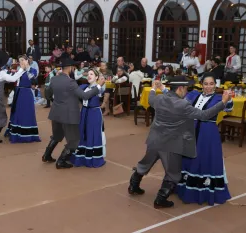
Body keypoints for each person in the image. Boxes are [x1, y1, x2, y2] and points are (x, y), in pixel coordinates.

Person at [128, 76, 232, 209]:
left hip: (154, 139)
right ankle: (160, 199)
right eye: (186, 89)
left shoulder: (159, 99)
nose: (186, 92)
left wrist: (154, 87)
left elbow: (150, 98)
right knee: (173, 173)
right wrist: (223, 102)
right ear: (180, 88)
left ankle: (133, 186)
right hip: (170, 144)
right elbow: (205, 115)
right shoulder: (183, 105)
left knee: (144, 164)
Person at [177, 73, 233, 205]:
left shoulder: (219, 98)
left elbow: (229, 108)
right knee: (189, 159)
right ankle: (186, 188)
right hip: (191, 131)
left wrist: (228, 98)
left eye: (211, 84)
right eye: (206, 84)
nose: (208, 86)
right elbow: (180, 103)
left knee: (206, 158)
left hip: (208, 134)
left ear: (215, 85)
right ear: (201, 84)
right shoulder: (193, 95)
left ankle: (205, 192)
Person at [42, 58, 105, 169]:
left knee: (56, 136)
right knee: (74, 140)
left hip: (55, 113)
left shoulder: (54, 79)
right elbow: (84, 96)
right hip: (68, 115)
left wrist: (57, 103)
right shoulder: (71, 82)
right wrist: (99, 85)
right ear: (71, 68)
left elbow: (47, 94)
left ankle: (46, 155)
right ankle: (61, 161)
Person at [70, 69, 106, 168]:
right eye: (88, 74)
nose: (89, 76)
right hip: (84, 112)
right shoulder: (85, 87)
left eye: (92, 74)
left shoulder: (99, 88)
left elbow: (95, 92)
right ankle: (82, 156)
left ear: (97, 77)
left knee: (92, 133)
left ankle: (93, 158)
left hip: (94, 113)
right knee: (82, 133)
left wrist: (100, 82)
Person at [4, 55, 40, 143]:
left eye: (23, 60)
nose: (21, 62)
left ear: (27, 61)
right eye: (20, 61)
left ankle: (27, 135)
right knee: (17, 112)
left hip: (27, 94)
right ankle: (14, 132)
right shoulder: (18, 70)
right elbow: (10, 79)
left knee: (27, 112)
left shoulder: (32, 70)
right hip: (18, 93)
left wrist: (26, 68)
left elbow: (33, 79)